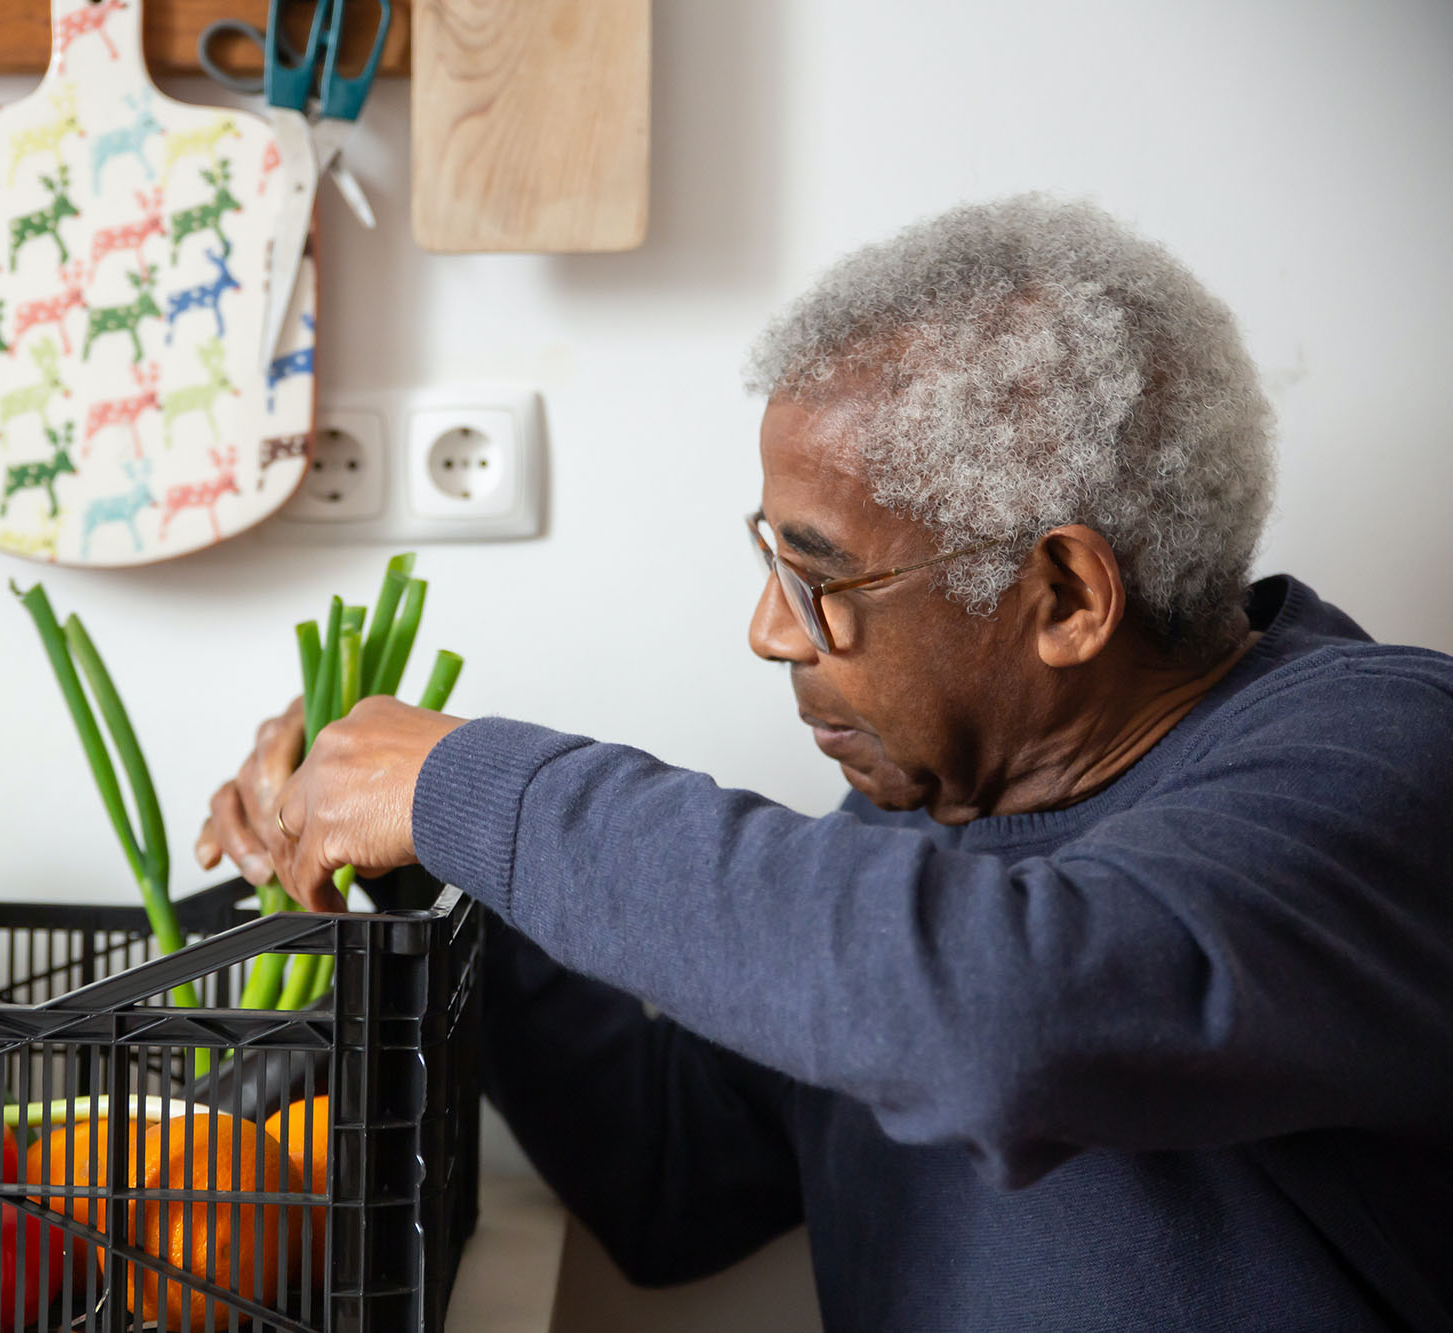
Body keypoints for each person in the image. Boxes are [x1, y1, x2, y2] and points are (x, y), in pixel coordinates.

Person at [195, 196, 1453, 1332]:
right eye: (767, 560)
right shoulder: (906, 825)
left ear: (1064, 593)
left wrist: (472, 786)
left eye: (817, 575)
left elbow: (1003, 1016)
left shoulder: (1382, 755)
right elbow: (670, 1178)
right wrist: (420, 852)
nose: (767, 630)